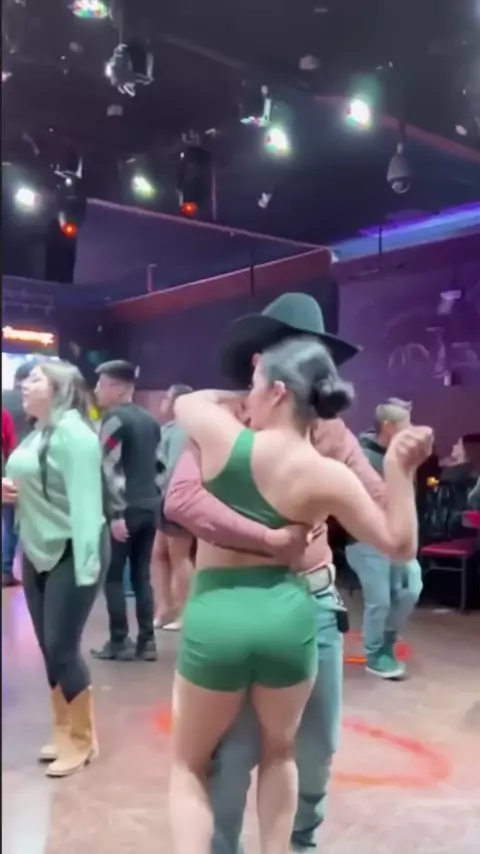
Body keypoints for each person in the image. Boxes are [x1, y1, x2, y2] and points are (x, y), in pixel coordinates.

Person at [169, 338, 431, 854]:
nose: (247, 395)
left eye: (255, 384)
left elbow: (188, 401)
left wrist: (239, 396)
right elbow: (400, 544)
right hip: (289, 617)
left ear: (277, 391)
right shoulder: (326, 474)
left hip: (218, 615)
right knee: (281, 754)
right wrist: (401, 471)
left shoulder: (222, 436)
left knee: (189, 766)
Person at [1, 360, 107, 777]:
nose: (24, 386)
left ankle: (83, 740)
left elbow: (86, 506)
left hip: (72, 548)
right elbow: (29, 481)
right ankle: (64, 732)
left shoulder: (76, 436)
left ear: (60, 388)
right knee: (48, 647)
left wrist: (87, 567)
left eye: (35, 380)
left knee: (62, 647)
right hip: (37, 547)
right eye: (24, 380)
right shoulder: (39, 432)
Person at [345, 398, 424, 679]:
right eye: (406, 424)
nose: (411, 429)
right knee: (380, 600)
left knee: (411, 588)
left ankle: (387, 641)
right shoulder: (361, 456)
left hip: (396, 538)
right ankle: (376, 654)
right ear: (389, 426)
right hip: (364, 539)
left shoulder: (398, 456)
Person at [91, 360, 162, 662]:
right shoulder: (150, 420)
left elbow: (111, 470)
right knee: (142, 576)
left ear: (118, 387)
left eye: (101, 384)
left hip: (125, 511)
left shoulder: (114, 419)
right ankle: (148, 642)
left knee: (113, 577)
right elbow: (160, 467)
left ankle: (119, 641)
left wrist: (116, 514)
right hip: (150, 508)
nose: (96, 390)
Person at [152, 384, 194, 631]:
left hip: (177, 499)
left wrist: (168, 497)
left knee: (179, 555)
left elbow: (173, 469)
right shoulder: (169, 428)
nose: (163, 403)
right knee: (159, 554)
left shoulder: (183, 430)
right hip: (165, 499)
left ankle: (185, 612)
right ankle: (165, 606)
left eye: (167, 398)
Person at [2, 360, 37, 587]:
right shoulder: (34, 403)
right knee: (12, 523)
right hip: (23, 467)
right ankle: (5, 569)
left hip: (6, 463)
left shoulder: (4, 399)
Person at [2, 408, 19, 586]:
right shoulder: (3, 415)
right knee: (10, 526)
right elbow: (10, 450)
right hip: (4, 480)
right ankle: (5, 571)